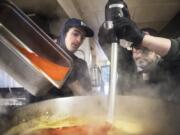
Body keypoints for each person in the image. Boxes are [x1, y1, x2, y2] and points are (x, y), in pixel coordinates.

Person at [111, 17, 180, 102]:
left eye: (145, 48)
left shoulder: (169, 68)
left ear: (157, 51)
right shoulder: (132, 75)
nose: (137, 51)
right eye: (134, 46)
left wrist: (144, 39)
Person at [49, 18, 94, 97]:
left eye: (82, 38)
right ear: (64, 33)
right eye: (75, 34)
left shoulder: (81, 64)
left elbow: (88, 94)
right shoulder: (48, 54)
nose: (79, 40)